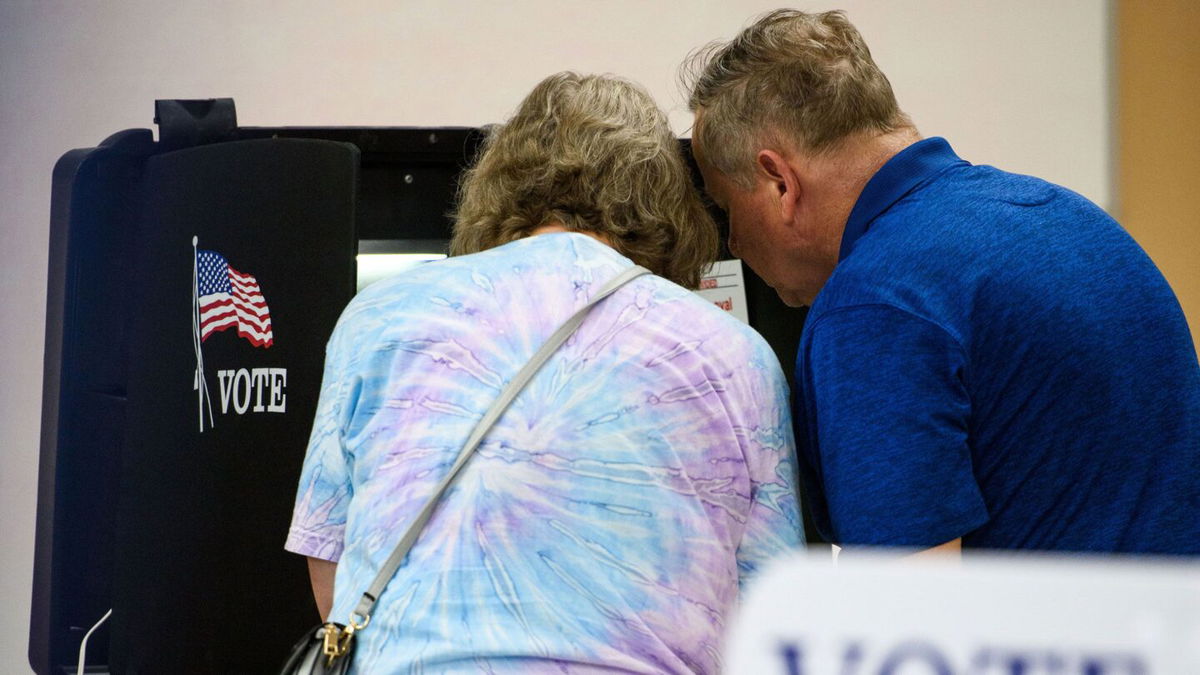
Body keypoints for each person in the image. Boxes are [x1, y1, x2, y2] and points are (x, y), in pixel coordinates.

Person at [285, 72, 802, 674]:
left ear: (497, 186)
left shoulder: (378, 317)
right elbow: (769, 608)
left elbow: (332, 565)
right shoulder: (736, 355)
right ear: (666, 202)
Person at [683, 9, 1200, 555]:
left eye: (725, 210)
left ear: (779, 182)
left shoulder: (876, 306)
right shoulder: (1072, 217)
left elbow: (909, 613)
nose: (733, 245)